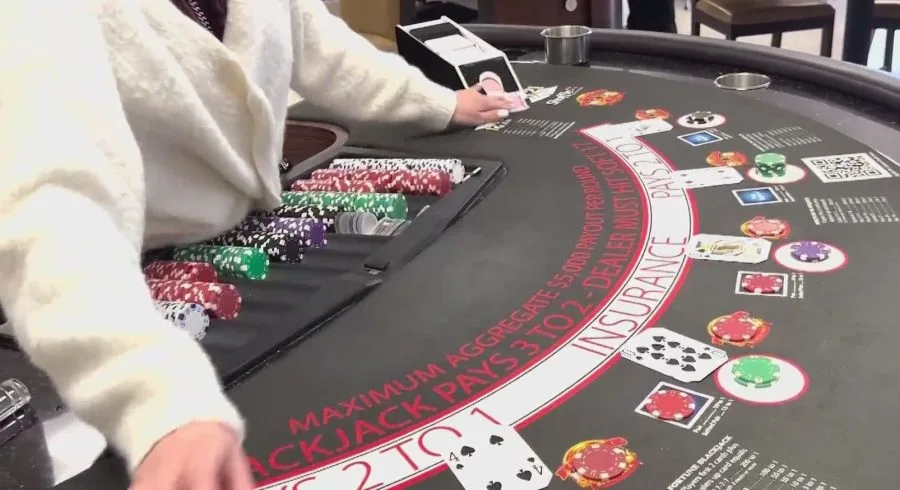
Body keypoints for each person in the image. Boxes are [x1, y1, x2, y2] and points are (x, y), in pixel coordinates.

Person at [0, 1, 512, 489]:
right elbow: (51, 204)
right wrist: (153, 398)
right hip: (115, 292)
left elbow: (324, 48)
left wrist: (437, 102)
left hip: (250, 232)